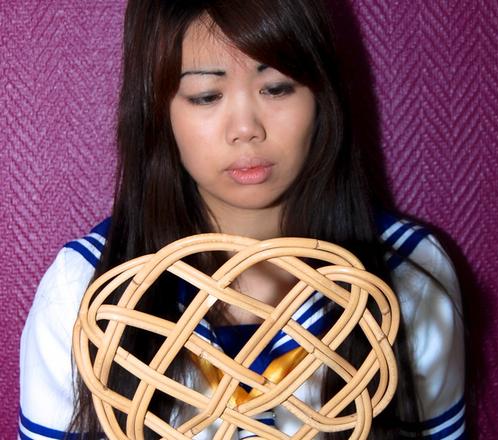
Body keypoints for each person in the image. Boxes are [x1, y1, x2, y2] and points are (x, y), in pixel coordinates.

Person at [18, 0, 466, 439]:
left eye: (277, 88)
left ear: (322, 94)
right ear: (157, 110)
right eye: (206, 95)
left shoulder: (409, 275)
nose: (246, 128)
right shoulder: (84, 288)